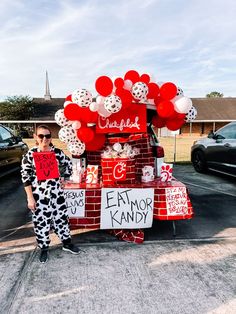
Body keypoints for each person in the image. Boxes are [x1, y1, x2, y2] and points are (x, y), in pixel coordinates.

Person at [21, 125, 80, 263]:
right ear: (35, 137)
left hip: (57, 194)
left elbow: (69, 165)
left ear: (51, 138)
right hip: (39, 196)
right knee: (41, 223)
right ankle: (44, 248)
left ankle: (67, 243)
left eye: (47, 136)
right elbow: (25, 177)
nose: (45, 139)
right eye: (41, 136)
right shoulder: (29, 155)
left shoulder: (57, 153)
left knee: (61, 220)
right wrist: (30, 198)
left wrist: (64, 178)